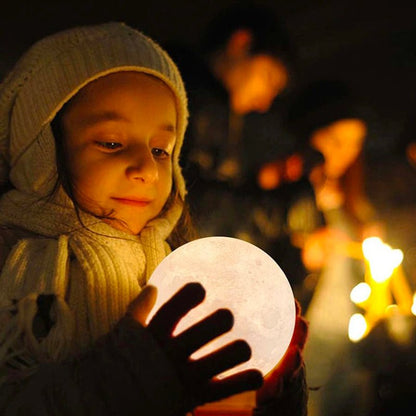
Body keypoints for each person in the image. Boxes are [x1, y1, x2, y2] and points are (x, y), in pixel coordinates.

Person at [0, 22, 307, 415]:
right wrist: (127, 378)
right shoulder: (13, 269)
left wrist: (271, 391)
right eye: (112, 143)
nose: (146, 166)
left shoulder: (181, 270)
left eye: (162, 149)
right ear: (40, 149)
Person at [166, 3, 296, 244]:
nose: (266, 102)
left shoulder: (221, 113)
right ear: (241, 43)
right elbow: (185, 197)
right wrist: (275, 214)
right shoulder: (185, 96)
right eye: (269, 78)